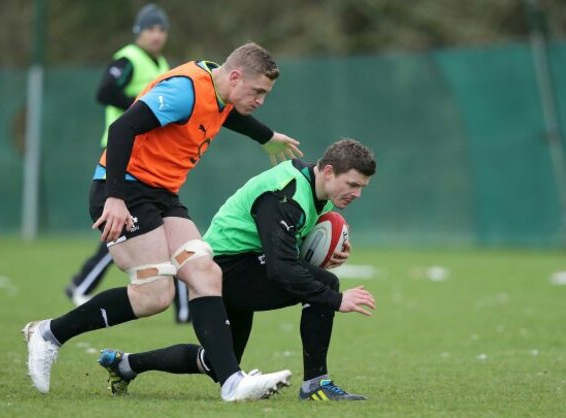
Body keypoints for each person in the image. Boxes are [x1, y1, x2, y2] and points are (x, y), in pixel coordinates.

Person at [23, 42, 303, 401]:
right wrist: (115, 197)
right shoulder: (185, 91)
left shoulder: (220, 92)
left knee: (206, 272)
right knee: (154, 295)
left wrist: (266, 136)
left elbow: (224, 114)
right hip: (125, 190)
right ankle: (48, 334)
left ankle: (232, 382)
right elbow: (122, 128)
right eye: (258, 91)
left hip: (161, 195)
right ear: (235, 76)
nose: (261, 100)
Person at [96, 139, 377, 401]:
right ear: (328, 171)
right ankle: (316, 385)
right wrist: (335, 300)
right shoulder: (285, 195)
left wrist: (331, 249)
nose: (357, 194)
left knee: (216, 363)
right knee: (325, 285)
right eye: (352, 184)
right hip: (224, 269)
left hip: (242, 265)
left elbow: (290, 243)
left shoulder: (315, 189)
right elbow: (281, 267)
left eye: (362, 187)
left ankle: (125, 365)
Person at [65, 4, 189, 323]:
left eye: (161, 30)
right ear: (138, 32)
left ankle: (184, 308)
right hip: (121, 151)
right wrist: (139, 106)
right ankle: (82, 285)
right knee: (128, 230)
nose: (157, 35)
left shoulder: (162, 64)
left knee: (142, 230)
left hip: (146, 154)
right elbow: (104, 91)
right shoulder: (128, 58)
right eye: (150, 29)